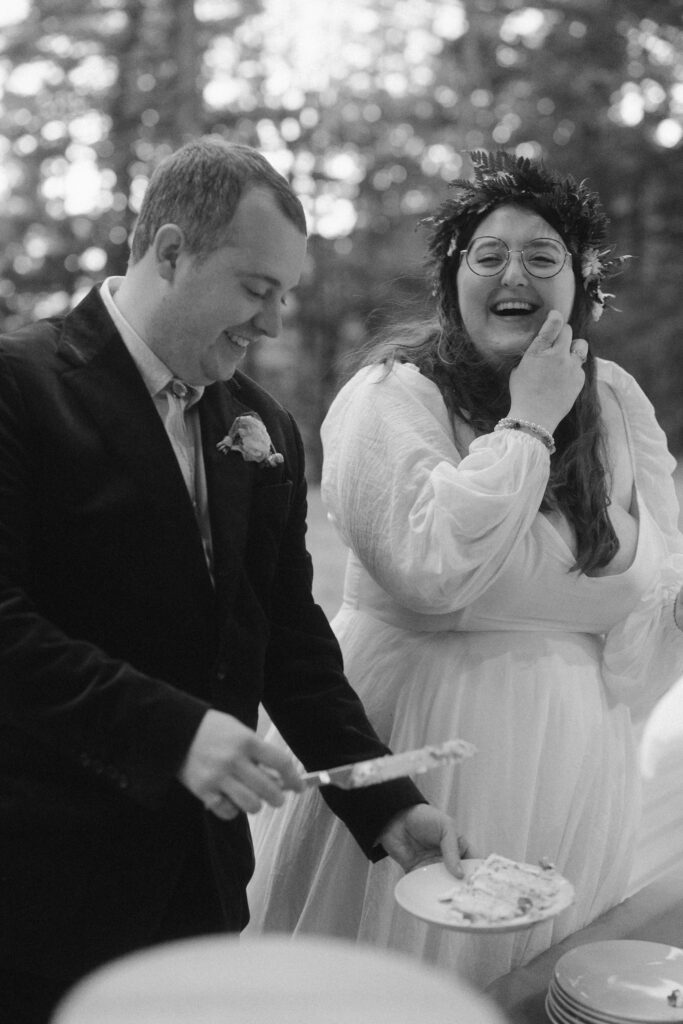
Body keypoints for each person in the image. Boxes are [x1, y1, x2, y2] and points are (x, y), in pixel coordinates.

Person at [0, 137, 466, 1024]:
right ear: (170, 251)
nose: (273, 325)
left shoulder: (264, 427)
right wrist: (173, 733)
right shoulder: (19, 386)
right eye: (257, 289)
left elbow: (289, 639)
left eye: (284, 296)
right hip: (40, 872)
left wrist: (387, 806)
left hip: (202, 880)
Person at [247, 150, 683, 987]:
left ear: (579, 287)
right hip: (415, 753)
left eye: (541, 257)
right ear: (453, 284)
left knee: (527, 986)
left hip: (573, 763)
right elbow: (430, 566)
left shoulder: (618, 401)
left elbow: (644, 591)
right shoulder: (390, 393)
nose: (512, 272)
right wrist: (530, 417)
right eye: (487, 256)